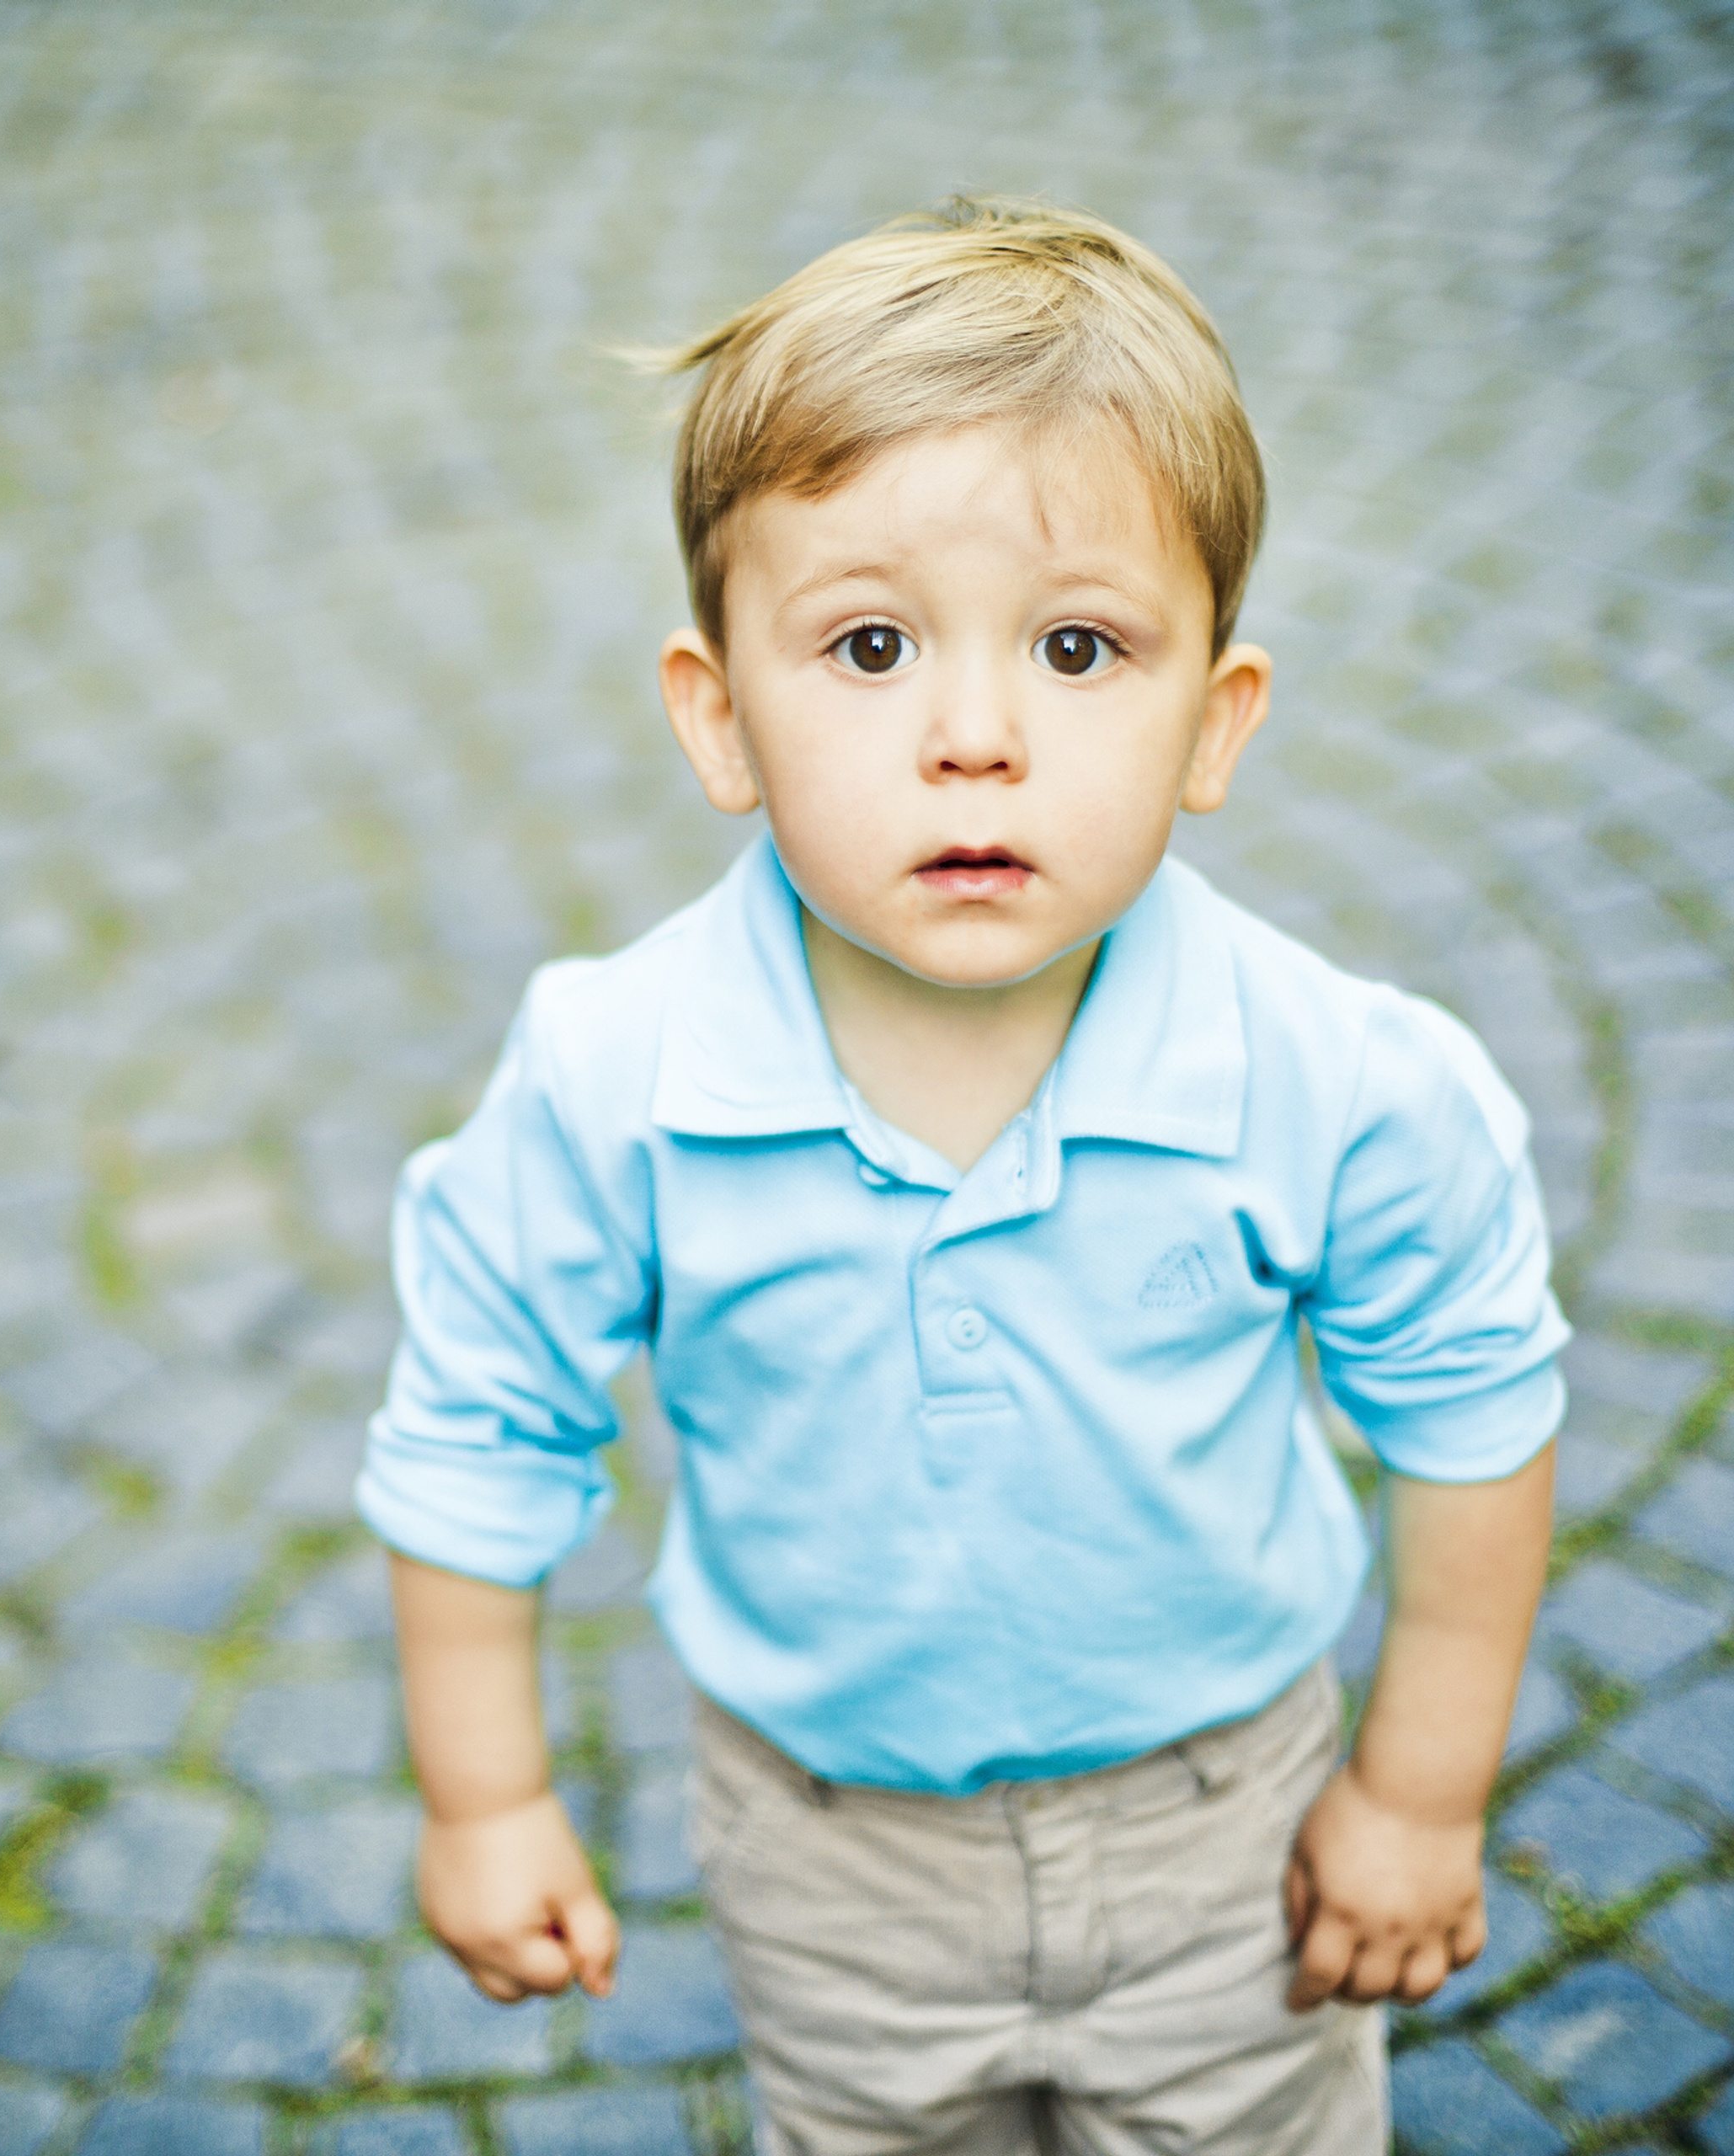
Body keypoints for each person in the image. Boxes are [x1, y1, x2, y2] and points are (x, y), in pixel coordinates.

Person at [357, 197, 1566, 2153]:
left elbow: (1471, 1412)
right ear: (716, 714)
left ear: (1212, 719)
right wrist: (483, 1792)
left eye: (1079, 645)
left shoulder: (1337, 1080)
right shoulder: (612, 1077)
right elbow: (478, 1427)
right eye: (865, 644)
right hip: (827, 1848)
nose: (974, 735)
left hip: (1222, 1816)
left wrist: (1417, 1791)